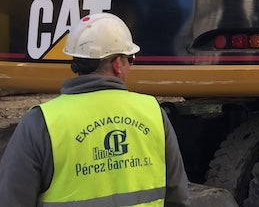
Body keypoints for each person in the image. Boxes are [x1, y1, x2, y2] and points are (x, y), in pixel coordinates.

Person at [0, 13, 190, 206]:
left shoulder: (42, 121)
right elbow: (177, 196)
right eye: (131, 59)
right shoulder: (152, 112)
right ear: (117, 64)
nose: (131, 66)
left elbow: (13, 198)